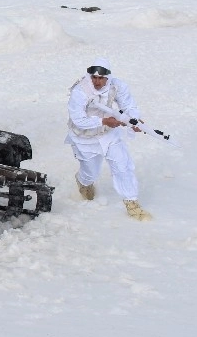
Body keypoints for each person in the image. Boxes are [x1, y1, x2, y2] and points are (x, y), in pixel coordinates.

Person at [65, 57, 152, 221]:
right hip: (85, 137)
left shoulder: (116, 86)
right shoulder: (80, 91)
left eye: (101, 78)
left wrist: (133, 119)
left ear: (107, 77)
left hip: (108, 134)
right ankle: (83, 182)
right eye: (94, 78)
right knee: (91, 172)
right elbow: (78, 119)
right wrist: (103, 120)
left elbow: (128, 105)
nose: (97, 82)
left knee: (123, 165)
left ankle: (131, 202)